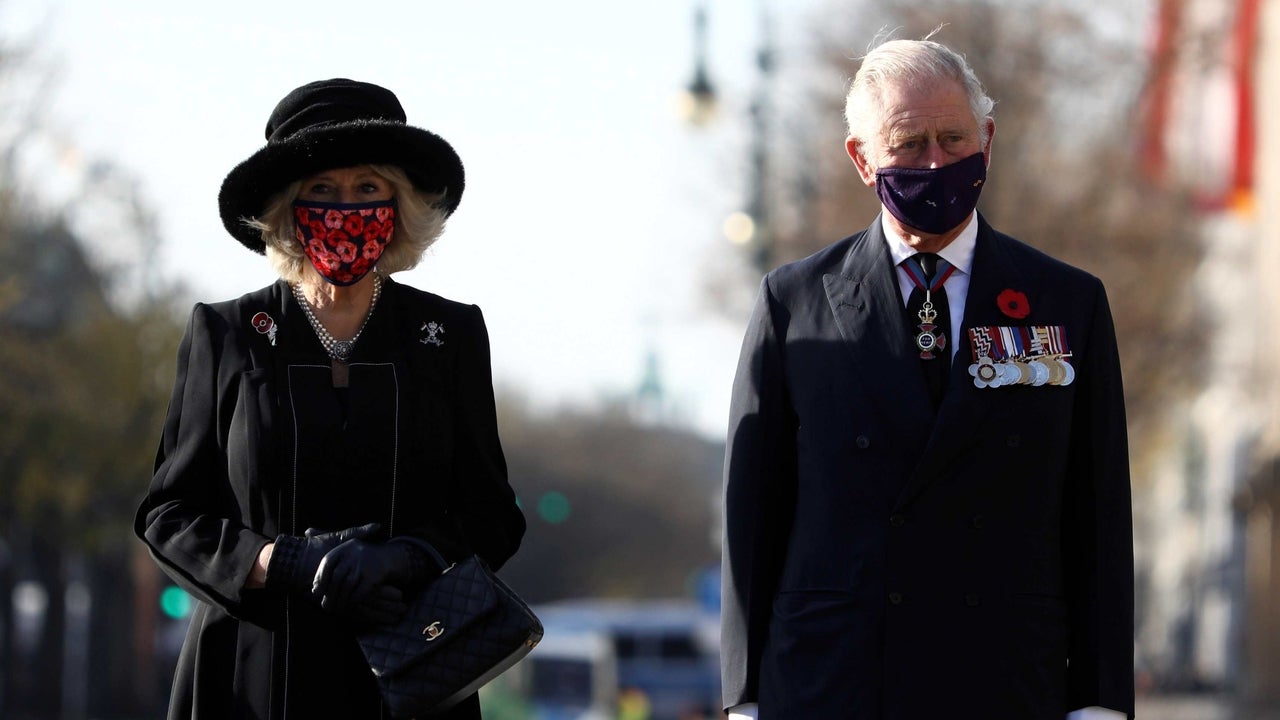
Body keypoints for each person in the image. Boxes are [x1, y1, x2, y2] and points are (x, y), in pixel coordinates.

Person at [720, 38, 1134, 719]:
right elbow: (752, 516)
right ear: (862, 158)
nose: (937, 163)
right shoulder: (794, 304)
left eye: (953, 138)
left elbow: (1098, 517)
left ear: (988, 141)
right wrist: (745, 698)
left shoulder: (1068, 303)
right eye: (910, 145)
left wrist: (1101, 701)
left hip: (1006, 678)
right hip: (835, 680)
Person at [135, 79, 526, 719]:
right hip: (252, 680)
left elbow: (492, 513)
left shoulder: (448, 337)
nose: (346, 207)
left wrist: (405, 558)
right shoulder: (228, 334)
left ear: (399, 205)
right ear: (288, 208)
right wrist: (282, 562)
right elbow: (170, 514)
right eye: (322, 190)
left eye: (368, 188)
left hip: (412, 672)